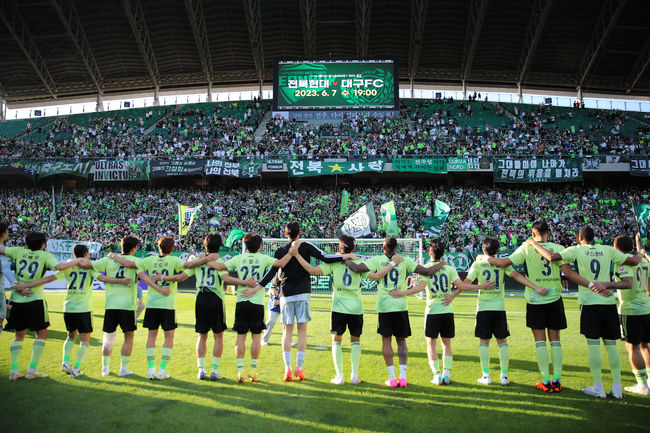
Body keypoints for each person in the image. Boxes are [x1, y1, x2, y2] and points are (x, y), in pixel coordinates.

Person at [527, 225, 641, 399]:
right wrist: (640, 251)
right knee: (611, 345)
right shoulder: (608, 249)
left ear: (580, 237)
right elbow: (634, 261)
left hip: (589, 302)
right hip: (608, 301)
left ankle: (598, 387)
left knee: (593, 345)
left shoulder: (576, 250)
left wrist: (533, 243)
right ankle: (617, 388)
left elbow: (551, 257)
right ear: (594, 236)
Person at [253, 222, 353, 382]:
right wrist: (345, 256)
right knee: (301, 332)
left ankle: (287, 369)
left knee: (286, 332)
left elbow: (272, 270)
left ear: (286, 234)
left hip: (285, 294)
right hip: (303, 294)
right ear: (299, 233)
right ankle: (299, 368)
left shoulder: (280, 250)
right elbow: (325, 258)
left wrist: (258, 286)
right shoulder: (305, 246)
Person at [290, 235, 395, 385]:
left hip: (338, 307)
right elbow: (375, 276)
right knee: (355, 340)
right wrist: (392, 264)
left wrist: (297, 255)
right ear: (353, 249)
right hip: (356, 308)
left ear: (340, 248)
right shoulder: (358, 262)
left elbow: (312, 270)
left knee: (336, 341)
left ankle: (339, 376)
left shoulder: (334, 262)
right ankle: (355, 376)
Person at [12, 244, 130, 378]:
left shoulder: (68, 268)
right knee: (85, 339)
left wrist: (25, 285)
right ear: (86, 253)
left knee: (70, 336)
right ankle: (76, 368)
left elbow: (49, 279)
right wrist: (121, 281)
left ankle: (65, 362)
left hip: (68, 307)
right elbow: (103, 278)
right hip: (83, 308)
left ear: (74, 254)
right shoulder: (90, 268)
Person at [343, 236, 445, 388]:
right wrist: (442, 262)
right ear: (396, 248)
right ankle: (402, 378)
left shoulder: (377, 260)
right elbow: (427, 271)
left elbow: (357, 269)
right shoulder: (404, 260)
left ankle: (392, 379)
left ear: (383, 248)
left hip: (384, 306)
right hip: (400, 307)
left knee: (386, 341)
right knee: (401, 341)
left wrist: (344, 259)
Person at [391, 239, 494, 385]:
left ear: (429, 252)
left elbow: (420, 288)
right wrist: (482, 285)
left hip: (433, 310)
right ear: (444, 253)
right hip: (447, 311)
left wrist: (402, 293)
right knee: (447, 344)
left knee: (431, 344)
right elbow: (462, 287)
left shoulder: (425, 267)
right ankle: (446, 374)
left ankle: (437, 375)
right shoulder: (449, 268)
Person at [486, 221, 569, 392]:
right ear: (549, 233)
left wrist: (484, 257)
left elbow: (503, 263)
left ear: (533, 234)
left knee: (540, 342)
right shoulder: (558, 247)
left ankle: (546, 382)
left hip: (535, 300)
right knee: (555, 342)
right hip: (555, 298)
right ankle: (557, 381)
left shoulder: (526, 247)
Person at [159, 233, 255, 381]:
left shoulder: (199, 261)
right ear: (219, 246)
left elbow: (181, 277)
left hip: (201, 297)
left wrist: (163, 278)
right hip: (215, 297)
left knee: (201, 336)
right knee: (218, 336)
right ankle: (214, 370)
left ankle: (201, 369)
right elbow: (225, 278)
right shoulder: (219, 260)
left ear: (205, 246)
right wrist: (244, 282)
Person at [465, 237, 549, 386]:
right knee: (502, 341)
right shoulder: (502, 265)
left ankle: (486, 376)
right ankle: (504, 376)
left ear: (483, 249)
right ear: (497, 251)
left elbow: (465, 284)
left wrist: (481, 286)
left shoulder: (478, 263)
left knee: (484, 342)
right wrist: (536, 287)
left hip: (484, 307)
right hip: (499, 308)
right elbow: (518, 276)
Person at [208, 233, 291, 383]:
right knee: (255, 337)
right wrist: (292, 252)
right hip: (257, 302)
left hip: (241, 300)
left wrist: (203, 260)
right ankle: (253, 372)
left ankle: (240, 371)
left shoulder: (239, 258)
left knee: (240, 338)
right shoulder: (263, 258)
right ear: (259, 246)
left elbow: (220, 266)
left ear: (245, 246)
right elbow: (281, 263)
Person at [0, 232, 83, 380]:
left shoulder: (18, 251)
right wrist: (76, 261)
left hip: (17, 298)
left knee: (19, 335)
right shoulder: (45, 256)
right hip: (35, 298)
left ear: (27, 243)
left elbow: (2, 249)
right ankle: (32, 369)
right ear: (43, 244)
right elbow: (59, 266)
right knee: (41, 333)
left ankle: (14, 370)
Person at [111, 236, 183, 380]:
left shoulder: (149, 261)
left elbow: (132, 265)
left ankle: (151, 370)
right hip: (168, 304)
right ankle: (162, 370)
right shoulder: (176, 261)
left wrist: (115, 257)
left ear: (158, 247)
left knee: (152, 336)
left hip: (152, 304)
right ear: (173, 248)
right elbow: (185, 273)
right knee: (169, 337)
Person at [91, 235, 145, 377]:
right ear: (134, 249)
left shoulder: (108, 260)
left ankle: (105, 369)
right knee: (129, 336)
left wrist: (105, 278)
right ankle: (124, 369)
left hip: (111, 305)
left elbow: (89, 266)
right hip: (127, 306)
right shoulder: (137, 261)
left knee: (108, 336)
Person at [613, 234, 650, 396]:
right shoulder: (644, 259)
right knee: (645, 345)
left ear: (616, 247)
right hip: (646, 306)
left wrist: (607, 285)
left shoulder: (622, 261)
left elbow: (627, 284)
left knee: (632, 346)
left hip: (630, 309)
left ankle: (642, 384)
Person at [0, 222, 16, 334]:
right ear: (3, 233)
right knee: (1, 315)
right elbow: (6, 270)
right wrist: (18, 286)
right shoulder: (3, 250)